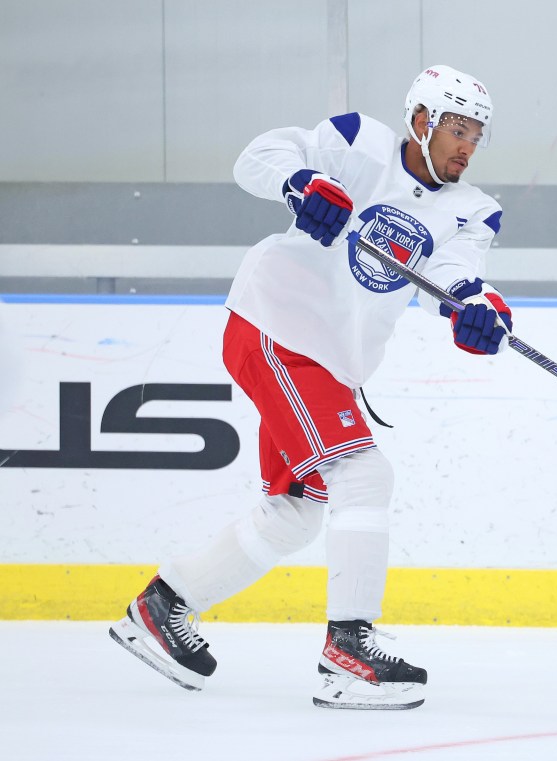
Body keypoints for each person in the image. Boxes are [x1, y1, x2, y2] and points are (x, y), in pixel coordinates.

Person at [109, 65, 511, 710]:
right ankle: (348, 651)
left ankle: (164, 605)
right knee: (364, 479)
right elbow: (259, 157)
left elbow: (459, 273)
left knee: (297, 510)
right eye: (457, 129)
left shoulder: (472, 210)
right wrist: (302, 183)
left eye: (477, 134)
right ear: (421, 122)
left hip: (329, 364)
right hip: (277, 327)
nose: (468, 145)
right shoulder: (359, 144)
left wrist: (479, 308)